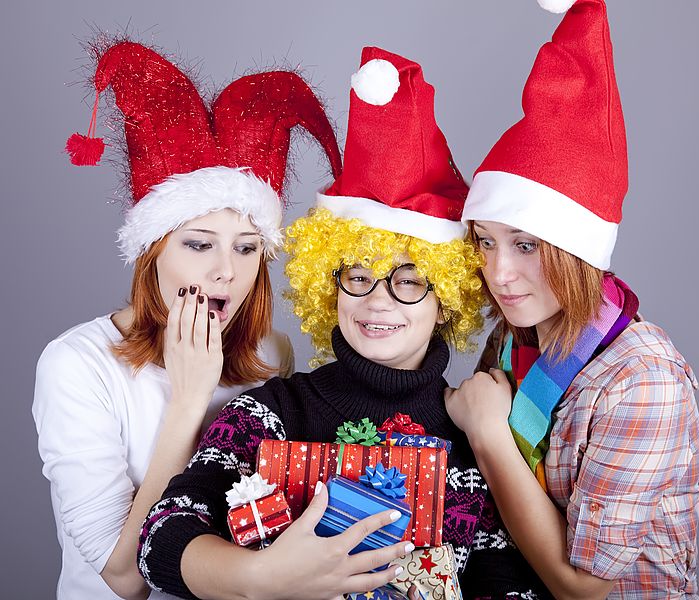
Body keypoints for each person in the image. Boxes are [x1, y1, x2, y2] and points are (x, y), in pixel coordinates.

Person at [137, 47, 548, 600]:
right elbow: (160, 539)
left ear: (446, 299)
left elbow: (513, 582)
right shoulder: (273, 413)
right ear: (327, 288)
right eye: (358, 276)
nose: (378, 302)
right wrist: (262, 578)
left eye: (408, 280)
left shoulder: (475, 438)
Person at [32, 40, 342, 600]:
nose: (225, 271)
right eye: (199, 244)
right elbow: (125, 579)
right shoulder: (75, 365)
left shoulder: (270, 352)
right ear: (154, 251)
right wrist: (187, 399)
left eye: (247, 249)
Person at [445, 1, 699, 599]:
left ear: (578, 249)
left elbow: (581, 588)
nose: (499, 273)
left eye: (527, 246)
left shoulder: (642, 380)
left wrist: (487, 434)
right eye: (485, 242)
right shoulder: (516, 335)